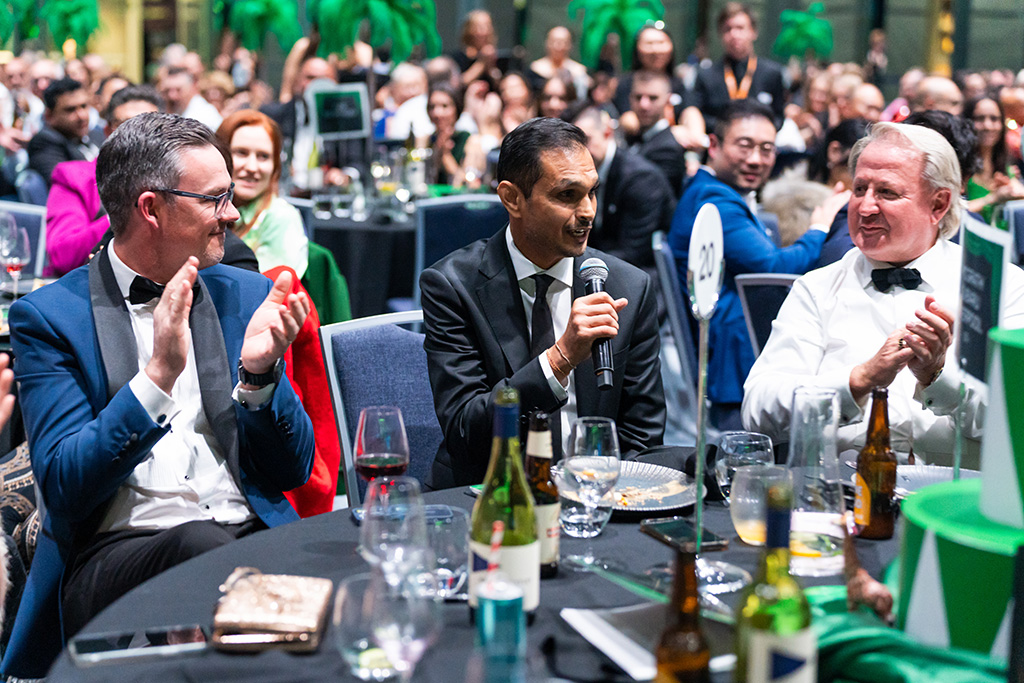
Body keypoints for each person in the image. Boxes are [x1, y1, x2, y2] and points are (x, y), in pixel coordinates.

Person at [2, 113, 314, 678]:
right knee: (200, 545)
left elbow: (291, 470)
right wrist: (156, 379)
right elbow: (65, 488)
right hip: (115, 553)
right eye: (216, 199)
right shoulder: (50, 318)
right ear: (151, 208)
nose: (233, 214)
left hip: (247, 534)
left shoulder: (246, 293)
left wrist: (260, 377)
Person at [742, 122, 1024, 467]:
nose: (865, 207)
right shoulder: (817, 288)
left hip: (957, 494)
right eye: (860, 189)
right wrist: (859, 381)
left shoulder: (1002, 286)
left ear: (938, 205)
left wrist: (938, 378)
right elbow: (757, 410)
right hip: (842, 492)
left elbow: (1016, 417)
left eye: (887, 192)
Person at [420, 117, 665, 488]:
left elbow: (641, 438)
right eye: (567, 195)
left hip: (596, 494)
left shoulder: (627, 286)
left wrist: (599, 497)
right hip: (488, 493)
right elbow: (465, 429)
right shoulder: (453, 286)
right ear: (512, 198)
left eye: (592, 192)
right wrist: (560, 359)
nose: (588, 211)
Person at [668, 99, 848, 429]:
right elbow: (772, 268)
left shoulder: (709, 190)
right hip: (734, 358)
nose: (755, 159)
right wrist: (820, 226)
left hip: (736, 348)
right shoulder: (715, 200)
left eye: (766, 149)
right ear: (714, 145)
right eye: (744, 146)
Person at [44, 84, 163, 276]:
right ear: (108, 131)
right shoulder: (75, 178)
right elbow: (62, 255)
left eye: (150, 126)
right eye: (126, 125)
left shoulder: (179, 181)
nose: (138, 137)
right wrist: (123, 215)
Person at [571, 105, 675, 271]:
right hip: (605, 261)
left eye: (587, 140)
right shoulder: (588, 172)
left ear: (607, 133)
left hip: (643, 273)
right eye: (576, 144)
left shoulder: (641, 179)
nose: (581, 150)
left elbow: (634, 252)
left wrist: (575, 264)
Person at [216, 110, 309, 277]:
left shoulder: (281, 218)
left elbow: (266, 288)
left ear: (275, 166)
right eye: (241, 152)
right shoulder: (206, 209)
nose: (252, 167)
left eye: (263, 156)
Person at [687, 3, 786, 131]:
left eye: (740, 28)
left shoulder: (772, 73)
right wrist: (729, 130)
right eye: (727, 29)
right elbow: (697, 115)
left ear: (753, 32)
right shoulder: (706, 75)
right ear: (721, 35)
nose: (734, 34)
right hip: (718, 139)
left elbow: (778, 117)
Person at [27, 78, 103, 186]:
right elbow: (67, 183)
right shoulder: (44, 142)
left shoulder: (97, 134)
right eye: (70, 110)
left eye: (84, 106)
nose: (82, 116)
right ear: (49, 116)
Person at [964, 94, 1024, 225]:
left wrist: (1009, 189)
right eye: (980, 119)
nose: (988, 126)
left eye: (994, 119)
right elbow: (953, 213)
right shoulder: (960, 166)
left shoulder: (1005, 165)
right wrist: (994, 197)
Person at [627, 70, 687, 197]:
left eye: (653, 98)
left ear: (668, 101)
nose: (644, 105)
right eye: (638, 97)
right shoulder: (632, 137)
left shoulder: (667, 150)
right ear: (630, 99)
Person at [426, 82, 484, 188]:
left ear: (456, 108)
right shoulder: (427, 141)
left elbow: (470, 184)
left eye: (445, 106)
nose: (437, 113)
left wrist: (445, 156)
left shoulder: (470, 141)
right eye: (432, 107)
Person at [158, 66, 222, 130]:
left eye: (178, 90)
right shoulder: (172, 112)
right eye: (167, 90)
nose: (171, 96)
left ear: (192, 88)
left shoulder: (204, 114)